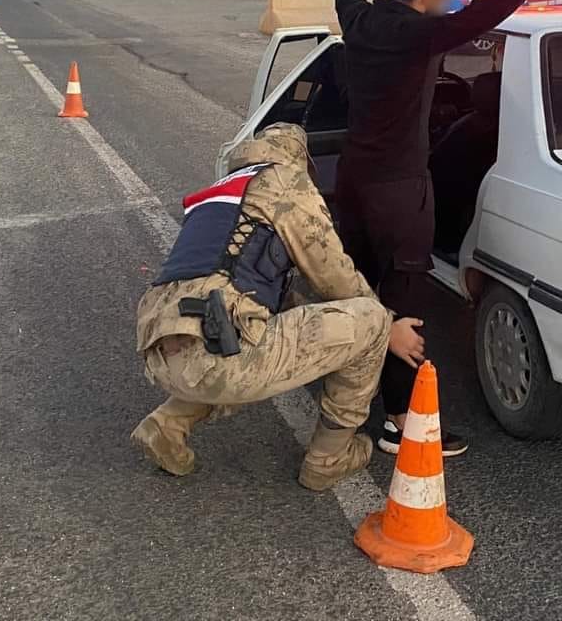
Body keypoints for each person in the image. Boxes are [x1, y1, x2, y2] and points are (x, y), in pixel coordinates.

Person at [324, 0, 562, 457]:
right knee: (404, 304)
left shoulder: (361, 23)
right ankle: (396, 421)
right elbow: (484, 13)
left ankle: (347, 392)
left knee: (361, 291)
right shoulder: (422, 33)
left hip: (353, 183)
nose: (447, 8)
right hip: (400, 193)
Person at [130, 122, 426, 490]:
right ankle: (328, 459)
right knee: (372, 319)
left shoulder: (225, 191)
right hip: (218, 351)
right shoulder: (285, 182)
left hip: (161, 347)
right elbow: (335, 277)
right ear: (300, 158)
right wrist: (389, 327)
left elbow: (254, 283)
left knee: (246, 339)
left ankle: (166, 426)